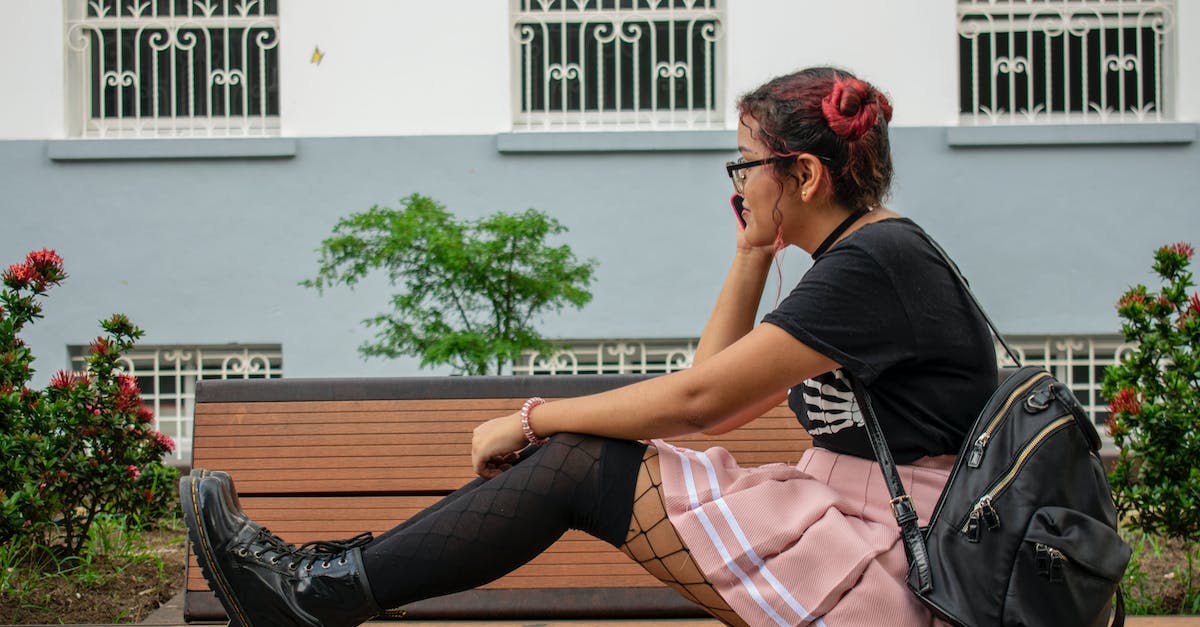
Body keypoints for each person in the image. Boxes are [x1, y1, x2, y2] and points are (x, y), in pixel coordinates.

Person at [181, 66, 996, 627]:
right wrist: (752, 254)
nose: (735, 184)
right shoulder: (858, 257)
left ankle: (315, 594)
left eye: (743, 163)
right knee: (583, 458)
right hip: (860, 530)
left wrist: (532, 418)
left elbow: (697, 403)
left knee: (576, 459)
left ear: (806, 175)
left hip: (901, 567)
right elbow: (716, 390)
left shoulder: (877, 260)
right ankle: (318, 590)